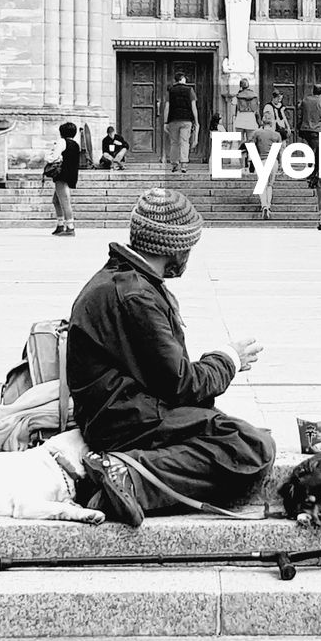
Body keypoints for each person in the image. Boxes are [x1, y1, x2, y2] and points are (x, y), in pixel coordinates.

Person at [66, 187, 275, 526]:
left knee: (233, 432)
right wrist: (228, 359)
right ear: (175, 248)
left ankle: (129, 473)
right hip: (124, 418)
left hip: (127, 407)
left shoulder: (125, 280)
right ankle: (127, 477)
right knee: (251, 448)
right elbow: (182, 384)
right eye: (189, 247)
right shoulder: (135, 296)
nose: (189, 256)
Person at [47, 121, 80, 238]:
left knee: (65, 201)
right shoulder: (76, 144)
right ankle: (60, 225)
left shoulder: (62, 142)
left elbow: (54, 157)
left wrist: (48, 158)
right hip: (71, 174)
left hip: (61, 175)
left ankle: (70, 227)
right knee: (56, 200)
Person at [247, 117, 283, 220]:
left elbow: (252, 147)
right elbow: (280, 151)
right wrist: (281, 164)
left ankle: (264, 206)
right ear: (272, 124)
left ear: (263, 123)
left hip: (261, 161)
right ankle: (269, 205)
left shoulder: (257, 133)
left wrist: (250, 162)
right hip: (273, 161)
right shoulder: (277, 135)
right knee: (270, 185)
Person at [163, 72, 198, 173]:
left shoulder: (171, 90)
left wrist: (165, 122)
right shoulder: (190, 90)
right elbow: (193, 107)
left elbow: (167, 107)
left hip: (173, 120)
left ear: (175, 80)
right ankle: (184, 164)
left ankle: (174, 164)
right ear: (183, 79)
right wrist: (196, 121)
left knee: (174, 142)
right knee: (184, 142)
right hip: (186, 120)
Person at [297, 84, 321, 169]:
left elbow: (300, 114)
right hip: (317, 129)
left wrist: (299, 126)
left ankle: (310, 162)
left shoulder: (305, 100)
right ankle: (313, 166)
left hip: (305, 128)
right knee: (316, 149)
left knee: (310, 146)